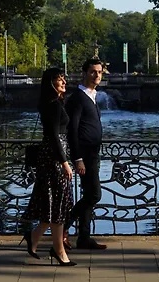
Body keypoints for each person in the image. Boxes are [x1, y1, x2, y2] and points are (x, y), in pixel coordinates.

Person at [21, 68, 76, 266]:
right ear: (50, 84)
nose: (64, 82)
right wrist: (65, 163)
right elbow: (54, 137)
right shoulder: (53, 105)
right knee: (58, 202)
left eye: (63, 79)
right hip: (53, 159)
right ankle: (59, 251)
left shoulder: (53, 103)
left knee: (54, 201)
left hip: (52, 157)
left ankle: (34, 238)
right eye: (59, 80)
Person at [64, 58, 107, 250]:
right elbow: (72, 130)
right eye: (93, 71)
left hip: (92, 153)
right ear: (84, 73)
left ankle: (84, 237)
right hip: (85, 155)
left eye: (99, 72)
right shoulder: (78, 98)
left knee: (90, 194)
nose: (97, 75)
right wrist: (78, 158)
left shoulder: (91, 96)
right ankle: (63, 226)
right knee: (94, 195)